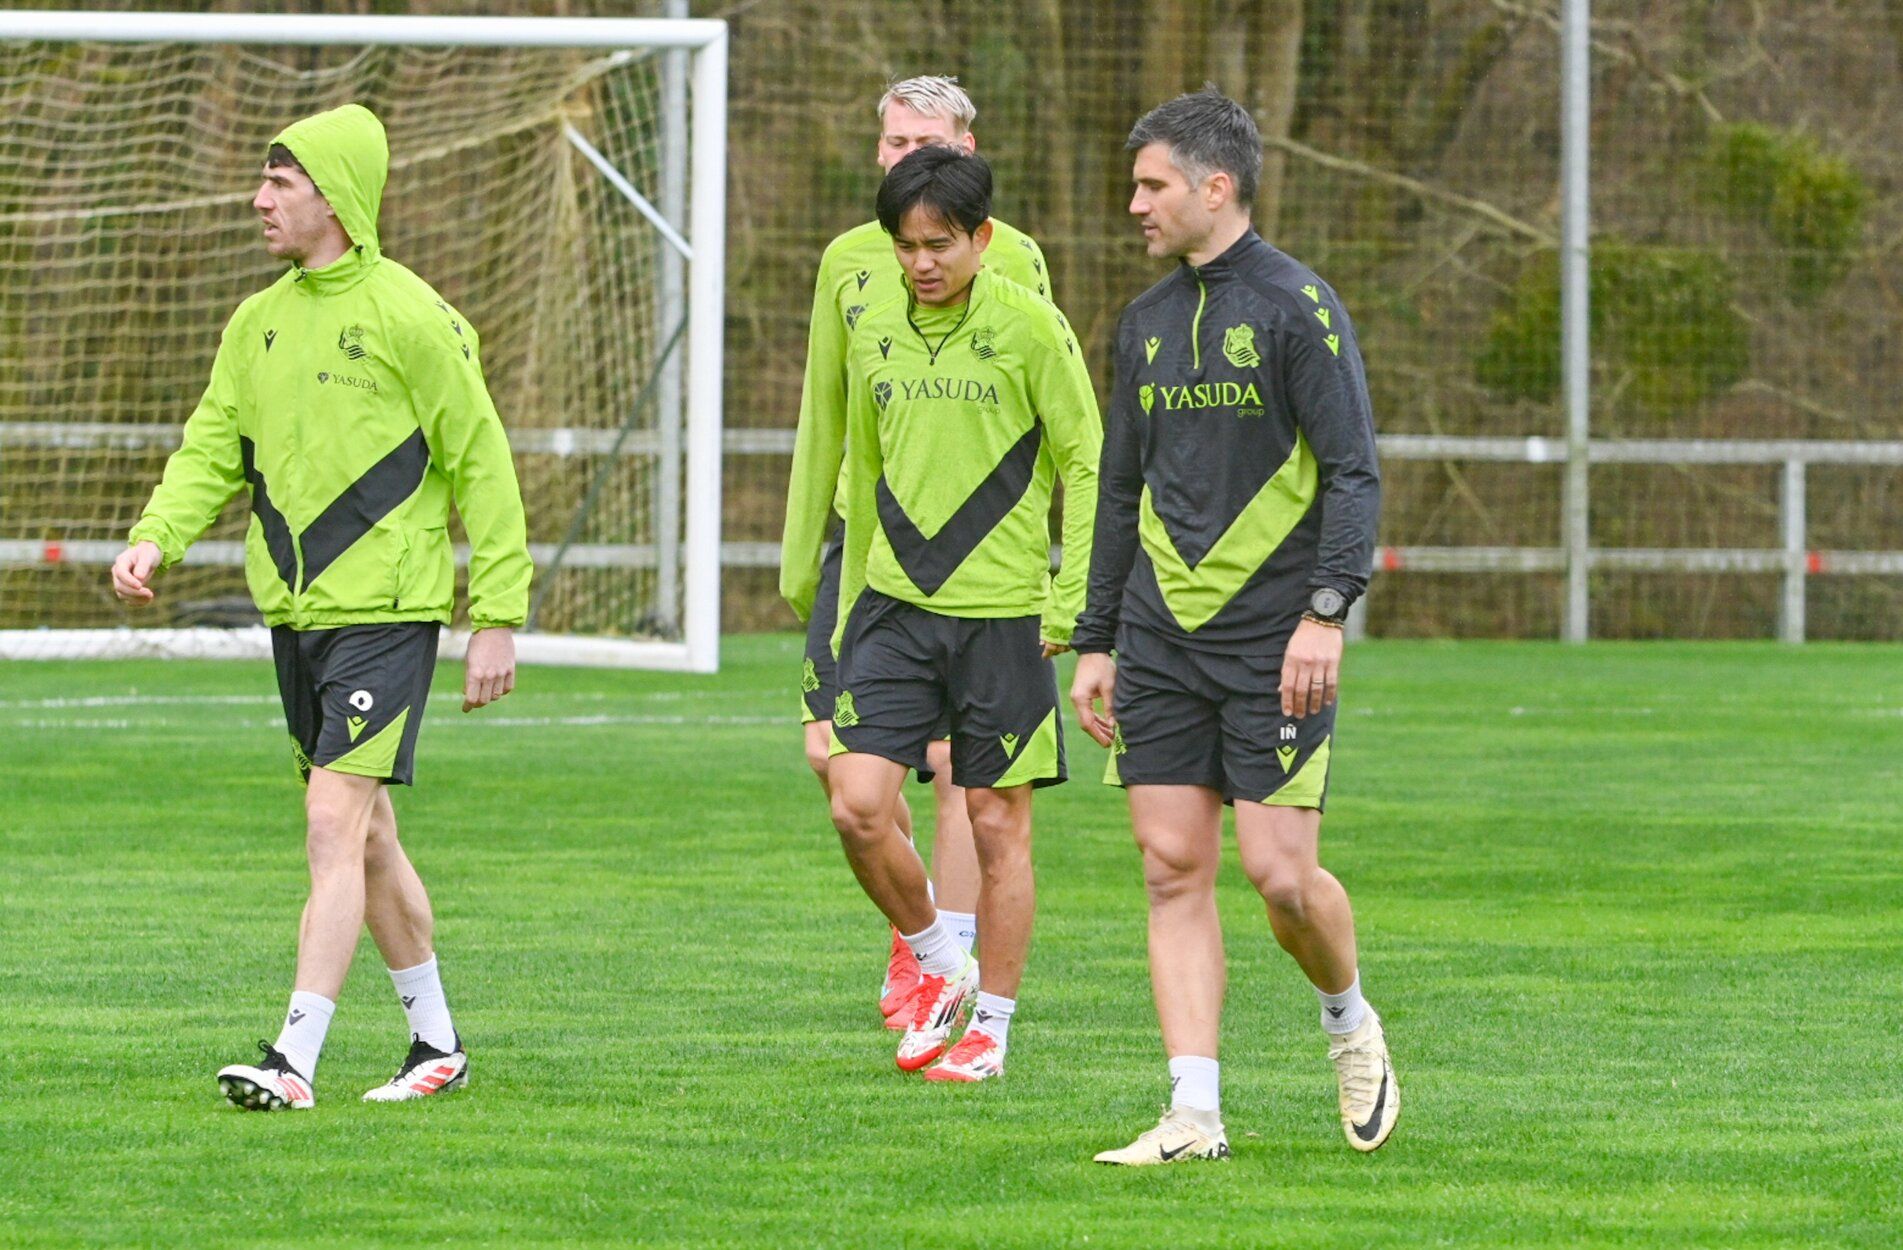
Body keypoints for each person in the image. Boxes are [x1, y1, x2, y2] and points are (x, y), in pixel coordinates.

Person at [110, 103, 531, 1112]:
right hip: (295, 612)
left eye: (280, 184)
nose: (258, 198)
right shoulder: (253, 322)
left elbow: (484, 463)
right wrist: (155, 532)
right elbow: (211, 443)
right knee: (371, 834)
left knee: (330, 818)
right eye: (262, 181)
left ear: (334, 200)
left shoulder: (414, 315)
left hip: (388, 610)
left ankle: (293, 1057)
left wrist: (497, 612)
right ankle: (436, 1041)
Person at [1070, 88, 1394, 1162]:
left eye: (1152, 184)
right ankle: (1192, 1112)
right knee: (1170, 866)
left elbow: (1352, 473)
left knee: (1280, 874)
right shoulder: (1143, 323)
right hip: (1159, 638)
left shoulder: (1300, 307)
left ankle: (1348, 1021)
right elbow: (1117, 492)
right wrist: (1097, 637)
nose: (1134, 204)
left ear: (1217, 186)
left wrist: (1326, 614)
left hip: (1275, 639)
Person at [779, 76, 1056, 1025]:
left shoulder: (1015, 261)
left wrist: (1036, 569)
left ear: (968, 150)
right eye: (890, 142)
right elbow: (827, 409)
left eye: (922, 141)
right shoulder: (848, 262)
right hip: (871, 548)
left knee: (957, 778)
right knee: (835, 761)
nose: (903, 158)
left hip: (977, 564)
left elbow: (1041, 420)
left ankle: (951, 969)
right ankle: (924, 940)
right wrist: (799, 544)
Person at [826, 145, 1099, 1082]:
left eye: (939, 244)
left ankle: (993, 1027)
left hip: (1003, 618)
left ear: (982, 239)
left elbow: (1088, 463)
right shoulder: (873, 331)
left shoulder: (1031, 329)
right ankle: (941, 966)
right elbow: (862, 470)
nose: (921, 264)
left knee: (995, 823)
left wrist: (1073, 601)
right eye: (905, 247)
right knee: (857, 804)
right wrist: (847, 605)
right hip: (894, 609)